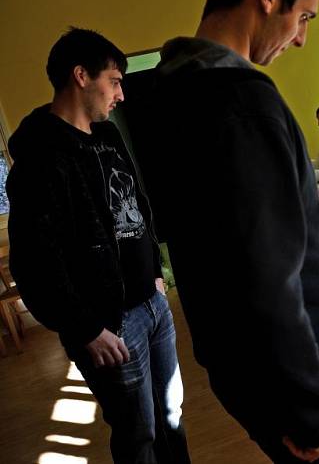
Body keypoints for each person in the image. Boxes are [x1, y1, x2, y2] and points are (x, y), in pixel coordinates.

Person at [128, 0, 319, 463]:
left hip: (242, 369)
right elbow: (267, 275)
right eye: (305, 17)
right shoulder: (242, 102)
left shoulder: (163, 96)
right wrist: (310, 413)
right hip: (308, 373)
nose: (303, 38)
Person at [6, 28, 190, 463]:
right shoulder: (41, 156)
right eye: (114, 80)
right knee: (137, 434)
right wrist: (85, 328)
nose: (121, 94)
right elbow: (33, 262)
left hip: (153, 305)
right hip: (110, 324)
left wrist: (157, 274)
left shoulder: (107, 136)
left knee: (171, 415)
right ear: (80, 76)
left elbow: (135, 204)